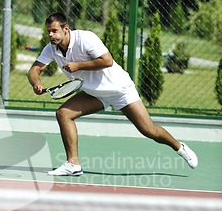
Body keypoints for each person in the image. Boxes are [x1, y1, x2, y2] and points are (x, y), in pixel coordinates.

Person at [28, 12, 198, 176]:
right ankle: (73, 164)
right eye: (48, 31)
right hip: (94, 94)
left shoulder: (85, 38)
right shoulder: (51, 49)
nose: (50, 34)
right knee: (63, 114)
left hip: (120, 89)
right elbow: (35, 69)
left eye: (54, 30)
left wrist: (78, 65)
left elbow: (107, 60)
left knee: (149, 130)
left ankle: (179, 147)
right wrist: (36, 83)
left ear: (66, 28)